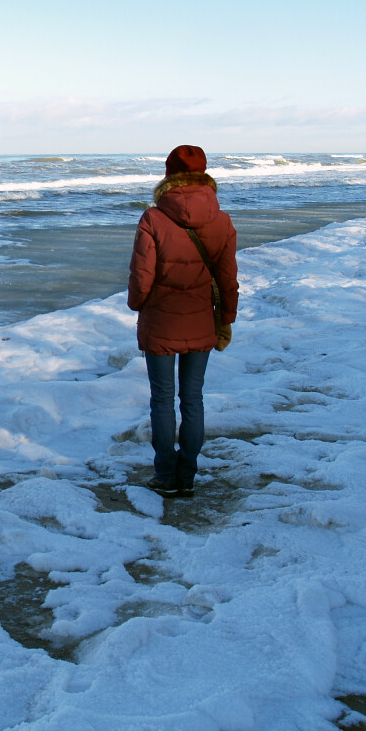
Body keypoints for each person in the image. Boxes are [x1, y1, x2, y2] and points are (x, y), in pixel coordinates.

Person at [127, 145, 238, 498]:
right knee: (193, 398)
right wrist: (226, 319)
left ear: (168, 175)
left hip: (161, 320)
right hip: (202, 320)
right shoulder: (221, 220)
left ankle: (165, 476)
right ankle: (187, 475)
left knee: (162, 399)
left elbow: (141, 277)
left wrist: (137, 304)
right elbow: (228, 279)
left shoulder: (153, 218)